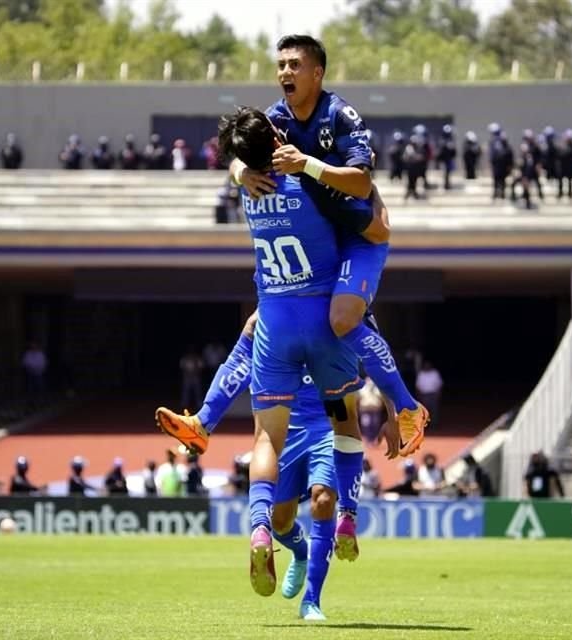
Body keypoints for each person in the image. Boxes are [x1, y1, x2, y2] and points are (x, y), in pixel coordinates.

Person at [159, 106, 392, 597]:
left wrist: (241, 168)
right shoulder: (305, 184)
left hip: (278, 322)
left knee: (265, 439)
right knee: (346, 415)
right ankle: (343, 516)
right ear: (278, 139)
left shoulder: (250, 190)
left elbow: (242, 164)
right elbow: (373, 225)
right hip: (323, 322)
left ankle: (257, 521)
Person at [227, 34, 428, 455]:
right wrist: (240, 172)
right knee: (256, 324)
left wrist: (308, 165)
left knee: (341, 318)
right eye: (280, 64)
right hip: (321, 242)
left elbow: (362, 181)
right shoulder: (274, 117)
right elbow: (236, 150)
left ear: (317, 72)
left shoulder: (339, 114)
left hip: (359, 235)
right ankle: (203, 422)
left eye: (294, 65)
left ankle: (407, 407)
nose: (285, 72)